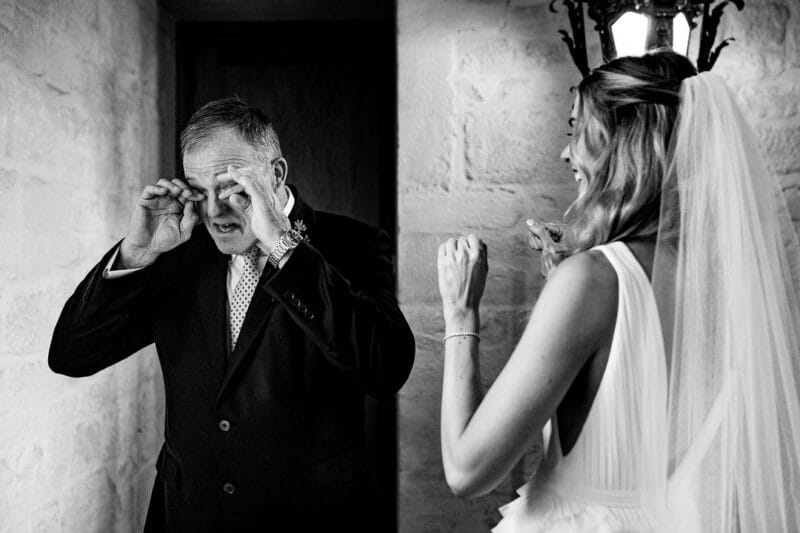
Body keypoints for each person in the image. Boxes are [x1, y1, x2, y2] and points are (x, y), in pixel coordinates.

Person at [437, 50, 800, 531]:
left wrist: (461, 314)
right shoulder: (728, 284)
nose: (566, 154)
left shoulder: (590, 281)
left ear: (617, 140)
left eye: (575, 130)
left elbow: (467, 471)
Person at [49, 97, 415, 532]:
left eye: (230, 188)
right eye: (200, 191)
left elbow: (385, 368)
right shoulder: (177, 251)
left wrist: (284, 247)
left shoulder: (353, 245)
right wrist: (136, 253)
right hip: (188, 517)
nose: (214, 211)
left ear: (275, 174)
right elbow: (72, 354)